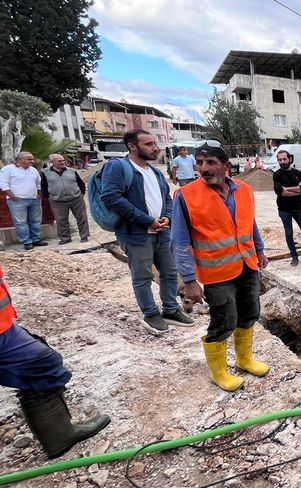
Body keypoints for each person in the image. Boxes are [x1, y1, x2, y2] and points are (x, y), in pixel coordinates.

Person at [171, 142, 270, 392]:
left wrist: (259, 250)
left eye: (210, 162)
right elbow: (179, 241)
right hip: (217, 273)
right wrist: (189, 280)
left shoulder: (244, 190)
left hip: (247, 265)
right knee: (224, 321)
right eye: (199, 163)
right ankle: (219, 373)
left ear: (226, 166)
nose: (204, 168)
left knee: (249, 313)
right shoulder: (186, 196)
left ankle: (244, 359)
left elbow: (250, 223)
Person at [0, 266, 110, 458]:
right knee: (40, 364)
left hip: (4, 325)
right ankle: (59, 437)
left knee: (42, 362)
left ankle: (59, 436)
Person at [101, 130, 193, 334]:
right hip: (136, 234)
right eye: (149, 144)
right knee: (142, 275)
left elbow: (167, 199)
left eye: (155, 144)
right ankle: (150, 314)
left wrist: (167, 217)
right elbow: (111, 197)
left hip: (162, 232)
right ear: (132, 146)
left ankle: (170, 310)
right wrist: (147, 221)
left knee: (170, 273)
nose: (155, 148)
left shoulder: (155, 172)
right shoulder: (119, 167)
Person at [41, 153, 90, 245]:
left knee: (82, 218)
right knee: (61, 221)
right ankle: (65, 238)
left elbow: (81, 183)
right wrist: (49, 198)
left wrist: (81, 194)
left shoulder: (72, 171)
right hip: (57, 201)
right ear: (52, 162)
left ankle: (84, 236)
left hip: (76, 198)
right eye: (59, 161)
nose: (62, 162)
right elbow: (44, 187)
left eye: (63, 160)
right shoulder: (45, 172)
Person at [1, 152, 46, 250]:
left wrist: (39, 193)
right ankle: (26, 241)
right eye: (29, 159)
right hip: (17, 201)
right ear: (20, 160)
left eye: (32, 159)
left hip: (33, 199)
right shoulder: (8, 169)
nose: (32, 161)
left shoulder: (33, 170)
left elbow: (38, 183)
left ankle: (36, 239)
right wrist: (11, 196)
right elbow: (3, 183)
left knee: (35, 221)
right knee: (21, 222)